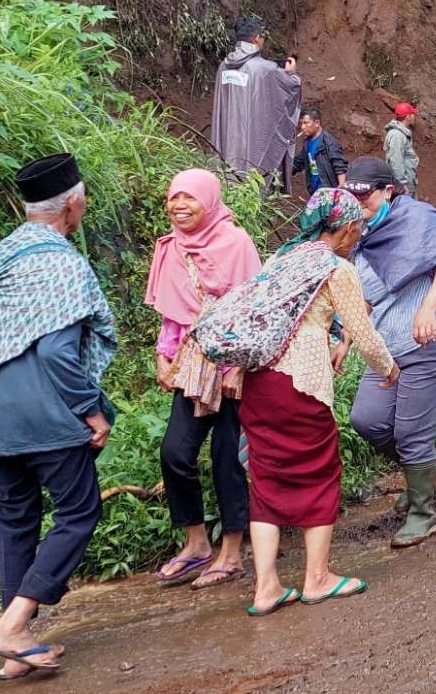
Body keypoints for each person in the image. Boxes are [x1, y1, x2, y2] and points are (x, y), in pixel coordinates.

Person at [0, 154, 116, 681]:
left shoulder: (0, 255)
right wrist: (91, 410)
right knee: (78, 511)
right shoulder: (59, 262)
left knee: (14, 522)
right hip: (45, 412)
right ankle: (12, 626)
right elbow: (59, 353)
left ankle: (17, 647)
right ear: (75, 204)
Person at [234, 188, 398, 615]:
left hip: (259, 382)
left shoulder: (280, 259)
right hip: (300, 386)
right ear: (343, 228)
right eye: (358, 226)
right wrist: (388, 368)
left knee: (266, 479)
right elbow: (361, 332)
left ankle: (266, 587)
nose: (360, 232)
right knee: (319, 471)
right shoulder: (336, 268)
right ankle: (318, 578)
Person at [144, 169, 261, 589]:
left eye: (188, 198)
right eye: (173, 198)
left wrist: (240, 366)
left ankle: (232, 551)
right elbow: (172, 313)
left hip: (233, 364)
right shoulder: (172, 248)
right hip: (193, 367)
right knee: (174, 452)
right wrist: (163, 355)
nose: (178, 206)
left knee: (229, 458)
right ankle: (196, 544)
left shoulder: (237, 244)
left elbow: (255, 310)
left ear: (209, 200)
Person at [344, 157, 436, 548]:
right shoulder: (359, 234)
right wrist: (344, 338)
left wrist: (428, 307)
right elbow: (363, 297)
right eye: (351, 194)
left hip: (434, 339)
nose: (358, 201)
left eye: (364, 194)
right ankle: (423, 472)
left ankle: (422, 513)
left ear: (387, 190)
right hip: (387, 348)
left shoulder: (419, 219)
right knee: (367, 420)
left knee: (411, 431)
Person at [210, 15, 302, 192]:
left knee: (227, 179)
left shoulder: (224, 66)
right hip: (251, 145)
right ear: (256, 38)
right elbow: (290, 88)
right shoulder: (263, 69)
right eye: (262, 37)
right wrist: (291, 74)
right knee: (250, 178)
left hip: (227, 140)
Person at [290, 109, 349, 195]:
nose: (302, 127)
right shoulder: (307, 143)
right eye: (301, 123)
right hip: (316, 192)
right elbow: (298, 163)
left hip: (329, 192)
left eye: (306, 123)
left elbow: (340, 165)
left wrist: (341, 189)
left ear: (317, 123)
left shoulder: (329, 142)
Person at [384, 101, 421, 198]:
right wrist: (403, 185)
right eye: (412, 114)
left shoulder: (401, 134)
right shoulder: (397, 136)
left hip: (407, 184)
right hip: (402, 187)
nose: (414, 116)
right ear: (408, 116)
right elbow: (396, 162)